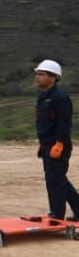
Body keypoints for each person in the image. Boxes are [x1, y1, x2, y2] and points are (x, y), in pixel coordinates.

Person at [33, 59, 79, 220]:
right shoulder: (42, 97)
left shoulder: (61, 98)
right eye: (37, 74)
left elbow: (64, 123)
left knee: (56, 180)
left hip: (58, 145)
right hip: (47, 144)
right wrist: (42, 143)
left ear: (53, 77)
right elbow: (43, 122)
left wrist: (59, 143)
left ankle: (57, 214)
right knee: (55, 179)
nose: (37, 77)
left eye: (41, 74)